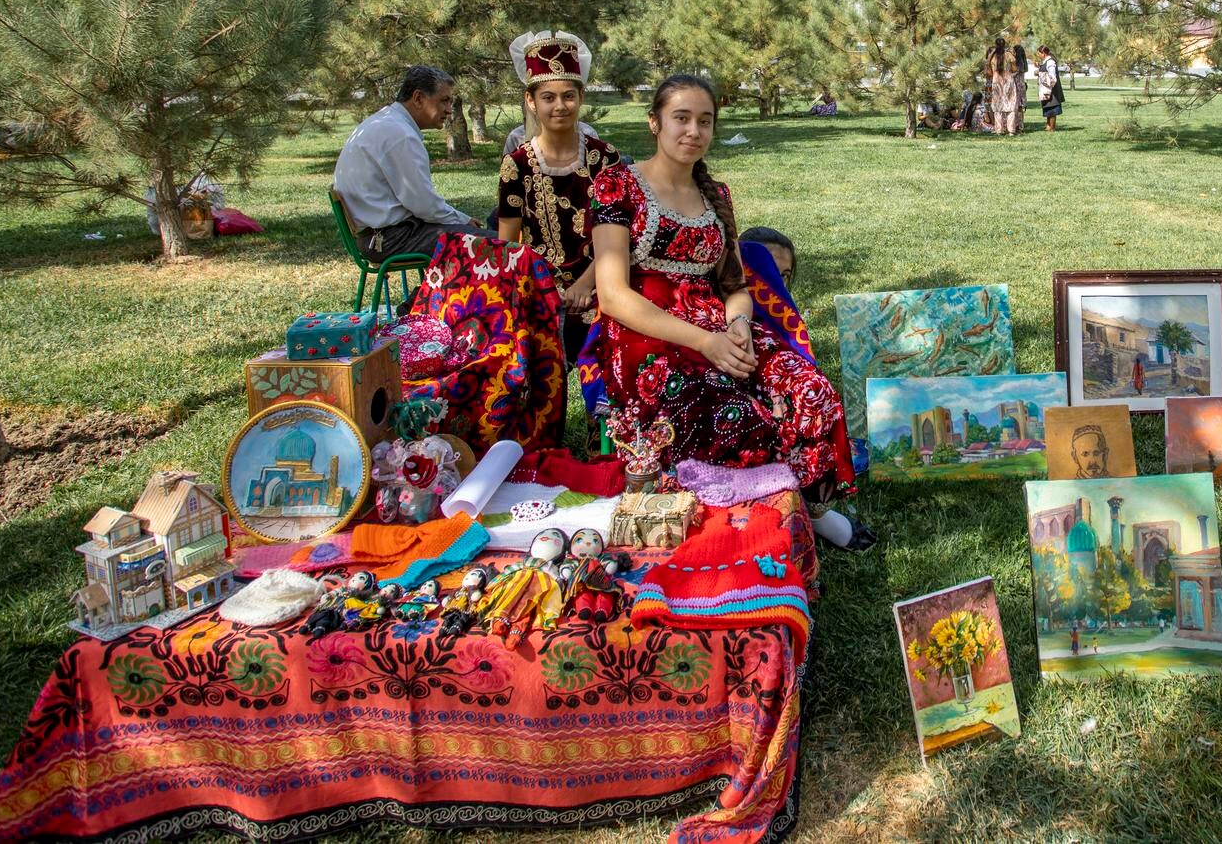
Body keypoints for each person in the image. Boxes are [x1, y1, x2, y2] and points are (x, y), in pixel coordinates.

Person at [590, 75, 870, 550]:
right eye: (681, 118)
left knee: (810, 390)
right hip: (649, 338)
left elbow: (735, 287)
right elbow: (613, 295)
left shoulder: (716, 193)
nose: (693, 131)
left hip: (719, 326)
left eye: (705, 121)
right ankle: (761, 515)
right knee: (734, 414)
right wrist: (705, 342)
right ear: (654, 122)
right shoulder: (616, 185)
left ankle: (813, 506)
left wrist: (738, 326)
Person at [495, 31, 623, 364]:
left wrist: (584, 284)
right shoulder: (517, 164)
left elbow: (623, 237)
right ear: (530, 101)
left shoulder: (605, 158)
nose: (559, 106)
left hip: (603, 280)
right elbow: (508, 246)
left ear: (581, 97)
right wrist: (539, 292)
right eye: (548, 97)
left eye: (568, 96)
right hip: (539, 288)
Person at [333, 66, 481, 260]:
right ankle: (437, 292)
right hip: (390, 239)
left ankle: (439, 290)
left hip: (376, 236)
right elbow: (424, 205)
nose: (449, 109)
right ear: (418, 98)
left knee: (485, 239)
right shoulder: (400, 135)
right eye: (444, 100)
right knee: (495, 246)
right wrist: (464, 220)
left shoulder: (386, 122)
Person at [986, 38, 1020, 136]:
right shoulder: (1009, 55)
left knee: (998, 107)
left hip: (996, 82)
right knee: (1011, 105)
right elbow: (1014, 69)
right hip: (1008, 81)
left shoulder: (991, 56)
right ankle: (1011, 130)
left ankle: (999, 130)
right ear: (1004, 44)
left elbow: (989, 72)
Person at [1036, 45, 1063, 131]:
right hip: (1046, 89)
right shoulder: (1046, 62)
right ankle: (1048, 126)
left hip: (1051, 90)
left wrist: (1039, 73)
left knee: (1052, 109)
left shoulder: (1051, 62)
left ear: (1043, 53)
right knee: (1047, 107)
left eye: (1039, 53)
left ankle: (1052, 128)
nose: (1038, 55)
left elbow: (1052, 77)